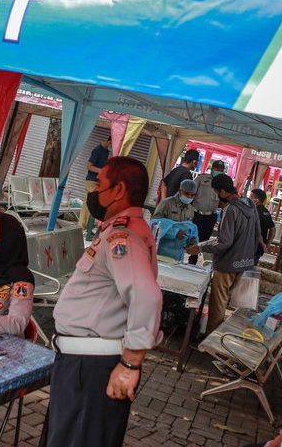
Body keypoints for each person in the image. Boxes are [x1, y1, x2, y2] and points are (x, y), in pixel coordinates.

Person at [46, 156, 163, 447]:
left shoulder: (123, 236)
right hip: (82, 365)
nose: (94, 191)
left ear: (119, 190)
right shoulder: (118, 230)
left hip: (92, 369)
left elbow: (146, 296)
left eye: (100, 184)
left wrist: (131, 363)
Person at [200, 174, 261, 335]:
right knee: (231, 304)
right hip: (245, 261)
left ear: (222, 191)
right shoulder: (250, 204)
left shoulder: (230, 210)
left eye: (216, 192)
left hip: (228, 263)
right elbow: (257, 233)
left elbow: (224, 242)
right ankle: (220, 337)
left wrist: (201, 247)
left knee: (218, 304)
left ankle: (210, 339)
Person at [79, 135, 112, 230]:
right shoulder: (97, 150)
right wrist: (102, 171)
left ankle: (87, 227)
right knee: (88, 204)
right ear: (109, 142)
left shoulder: (106, 151)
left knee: (93, 204)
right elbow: (89, 166)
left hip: (98, 182)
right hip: (91, 181)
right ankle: (82, 227)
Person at [192, 159, 225, 241]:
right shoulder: (201, 178)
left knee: (204, 239)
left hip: (211, 216)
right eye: (217, 169)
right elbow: (191, 192)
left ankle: (197, 253)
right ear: (212, 169)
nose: (219, 172)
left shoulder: (223, 183)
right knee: (192, 237)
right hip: (197, 214)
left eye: (221, 170)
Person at [251, 188, 276, 265]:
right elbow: (273, 229)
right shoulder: (266, 212)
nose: (249, 199)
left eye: (251, 197)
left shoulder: (253, 212)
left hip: (250, 247)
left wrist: (263, 244)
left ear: (256, 200)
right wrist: (267, 244)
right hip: (259, 249)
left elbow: (256, 231)